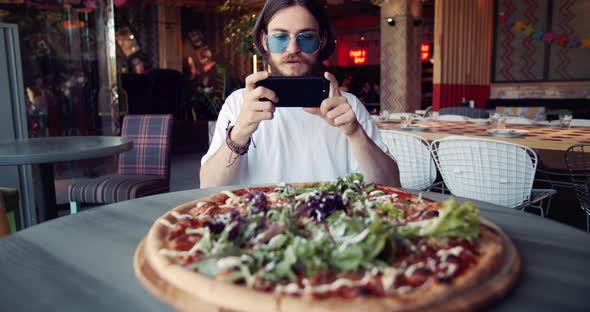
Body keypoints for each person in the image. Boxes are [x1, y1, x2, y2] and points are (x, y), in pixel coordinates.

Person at [200, 0, 400, 187]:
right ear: (264, 40)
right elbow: (208, 186)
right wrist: (240, 132)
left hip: (330, 221)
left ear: (321, 41)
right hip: (256, 220)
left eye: (306, 38)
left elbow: (392, 186)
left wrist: (355, 133)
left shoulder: (347, 105)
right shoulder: (238, 103)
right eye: (280, 38)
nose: (293, 48)